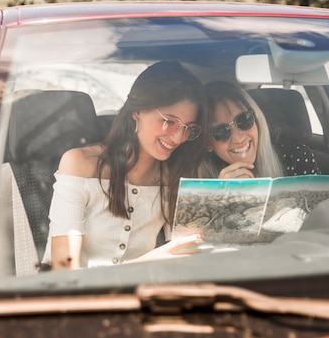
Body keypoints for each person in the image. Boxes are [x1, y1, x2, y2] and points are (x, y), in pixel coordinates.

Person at [42, 61, 207, 270]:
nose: (177, 138)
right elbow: (64, 271)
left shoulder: (173, 177)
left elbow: (191, 254)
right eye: (170, 121)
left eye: (188, 129)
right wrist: (150, 261)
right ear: (137, 110)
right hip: (73, 300)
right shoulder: (80, 164)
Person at [198, 81, 318, 179]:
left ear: (257, 120)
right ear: (208, 143)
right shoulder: (198, 183)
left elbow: (318, 207)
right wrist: (219, 198)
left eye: (244, 120)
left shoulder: (295, 158)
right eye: (221, 132)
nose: (238, 138)